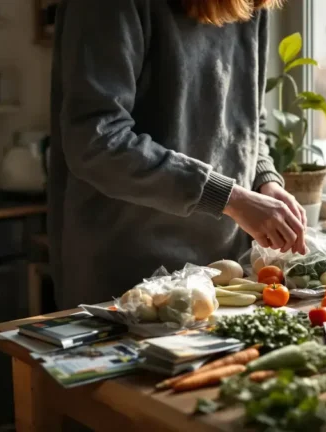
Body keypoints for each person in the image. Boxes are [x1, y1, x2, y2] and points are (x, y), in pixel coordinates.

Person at [48, 0, 306, 310]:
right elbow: (96, 142)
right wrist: (231, 199)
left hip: (223, 272)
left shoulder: (251, 5)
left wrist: (265, 179)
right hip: (125, 277)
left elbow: (247, 118)